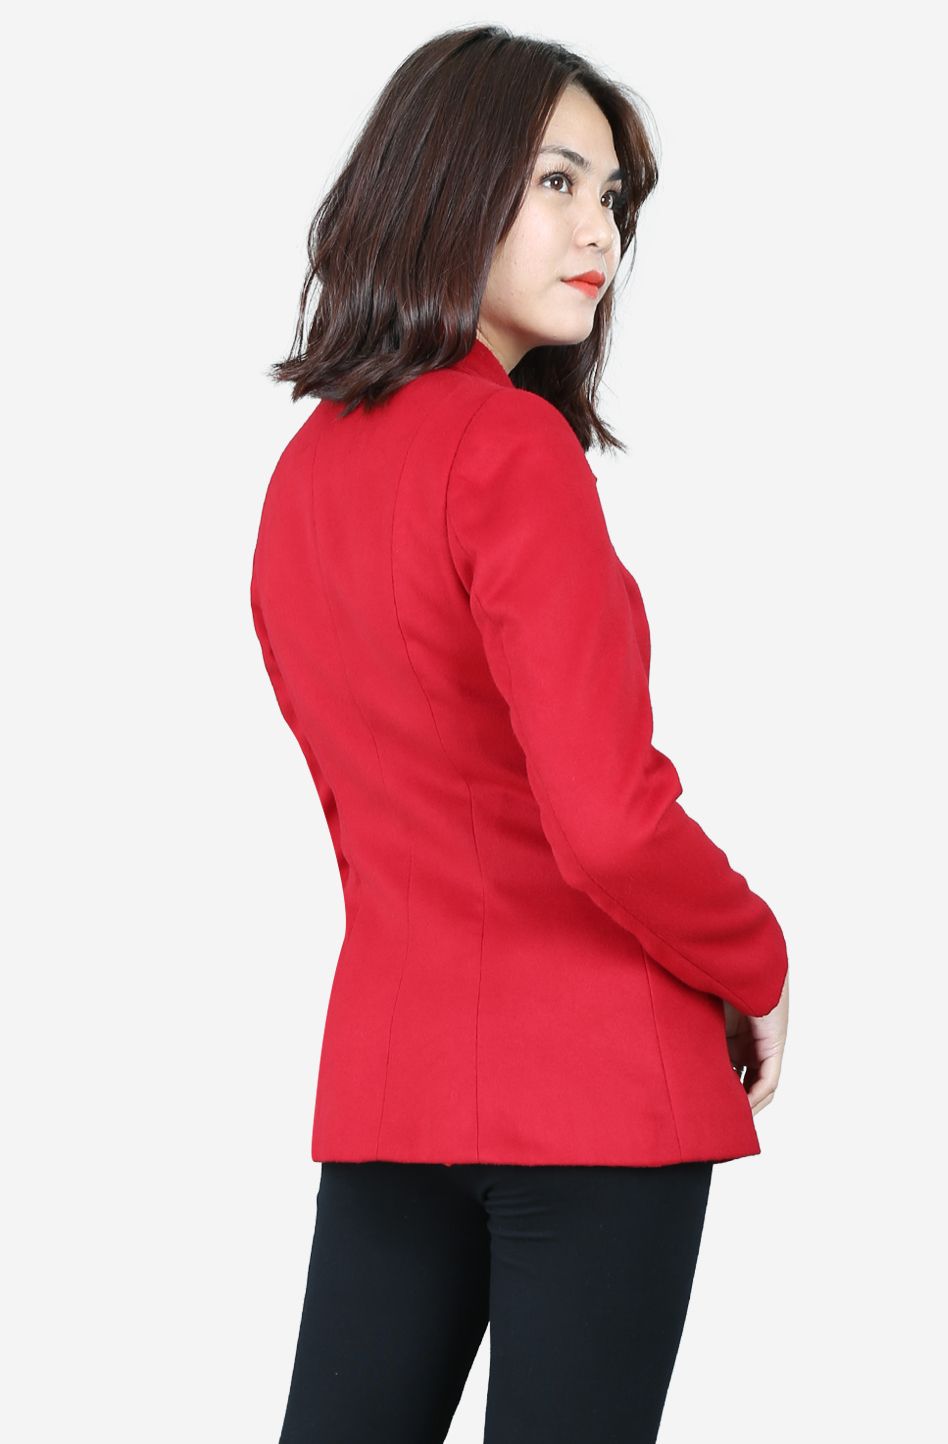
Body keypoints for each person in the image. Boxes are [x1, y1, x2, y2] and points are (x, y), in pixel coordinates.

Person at [250, 24, 790, 1444]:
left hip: (394, 1082)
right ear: (446, 178)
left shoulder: (304, 475)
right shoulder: (510, 449)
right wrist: (756, 956)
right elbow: (607, 817)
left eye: (610, 196)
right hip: (597, 1092)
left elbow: (380, 816)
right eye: (555, 181)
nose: (596, 229)